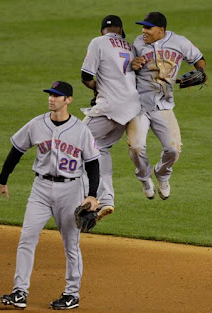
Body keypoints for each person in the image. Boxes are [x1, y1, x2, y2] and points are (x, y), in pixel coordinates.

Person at [0, 81, 100, 310]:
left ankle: (72, 295)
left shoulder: (81, 130)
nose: (51, 99)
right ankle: (19, 292)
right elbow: (16, 152)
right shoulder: (36, 124)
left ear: (68, 100)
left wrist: (91, 195)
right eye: (50, 95)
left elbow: (92, 164)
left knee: (71, 244)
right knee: (27, 238)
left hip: (71, 190)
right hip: (40, 189)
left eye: (57, 96)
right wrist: (2, 179)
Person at [127, 12, 206, 200]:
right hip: (138, 106)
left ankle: (162, 174)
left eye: (148, 27)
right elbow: (126, 69)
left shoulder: (180, 42)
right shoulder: (138, 43)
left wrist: (201, 72)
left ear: (160, 30)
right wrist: (133, 64)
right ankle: (145, 177)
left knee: (174, 149)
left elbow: (198, 58)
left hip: (164, 105)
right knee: (136, 147)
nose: (143, 31)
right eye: (143, 27)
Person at [81, 15, 141, 217]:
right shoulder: (130, 47)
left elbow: (86, 77)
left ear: (102, 31)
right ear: (120, 29)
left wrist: (98, 89)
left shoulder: (98, 42)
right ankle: (105, 199)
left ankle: (85, 202)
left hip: (109, 107)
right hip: (131, 109)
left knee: (75, 142)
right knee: (101, 148)